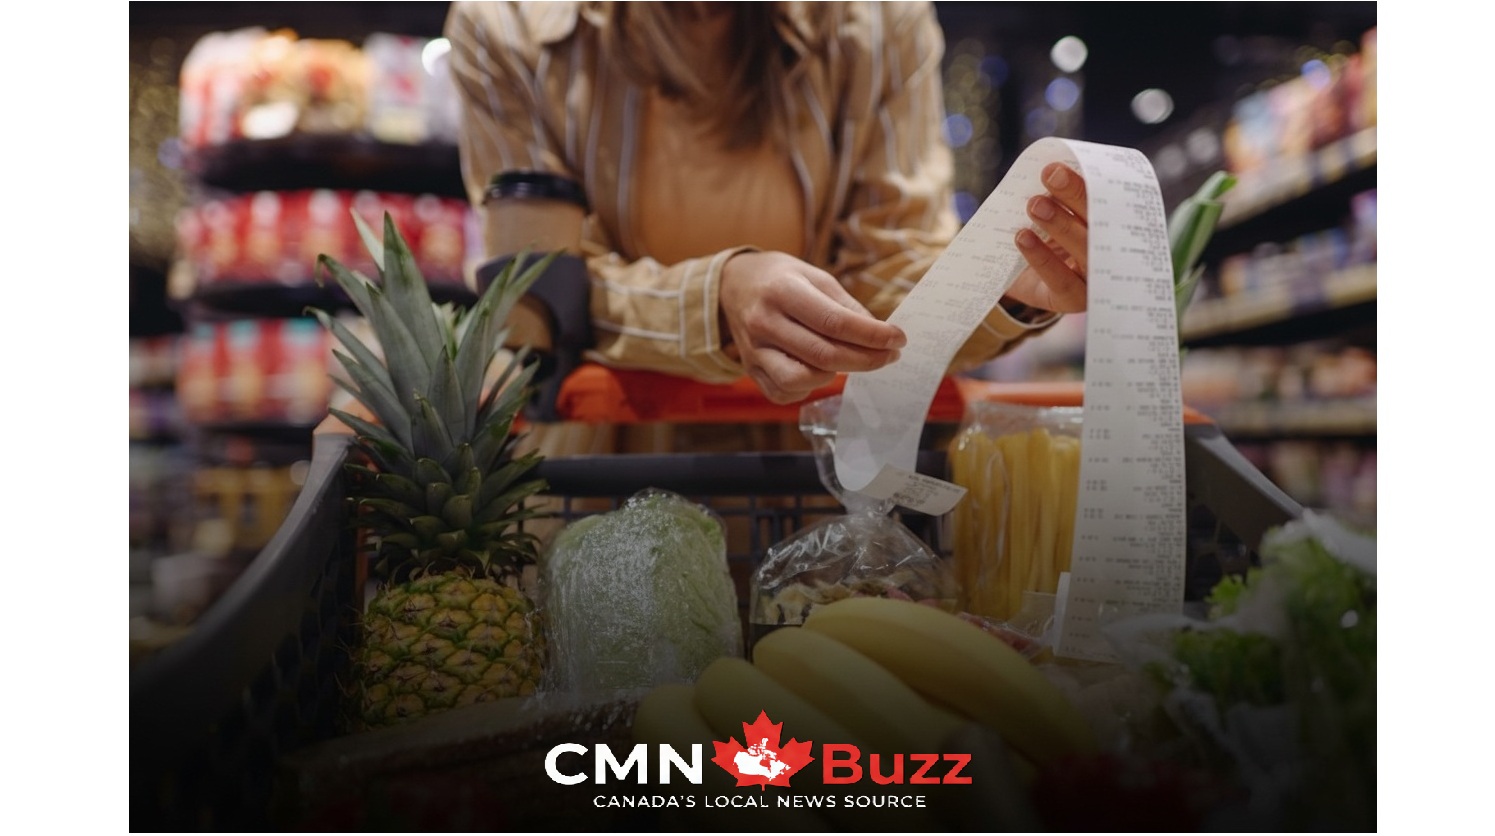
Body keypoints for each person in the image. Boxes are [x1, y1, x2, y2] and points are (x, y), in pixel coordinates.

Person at [443, 0, 1090, 408]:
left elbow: (889, 268)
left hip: (816, 474)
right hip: (604, 467)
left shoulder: (881, 21)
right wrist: (715, 300)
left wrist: (1004, 284)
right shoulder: (504, 26)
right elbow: (535, 299)